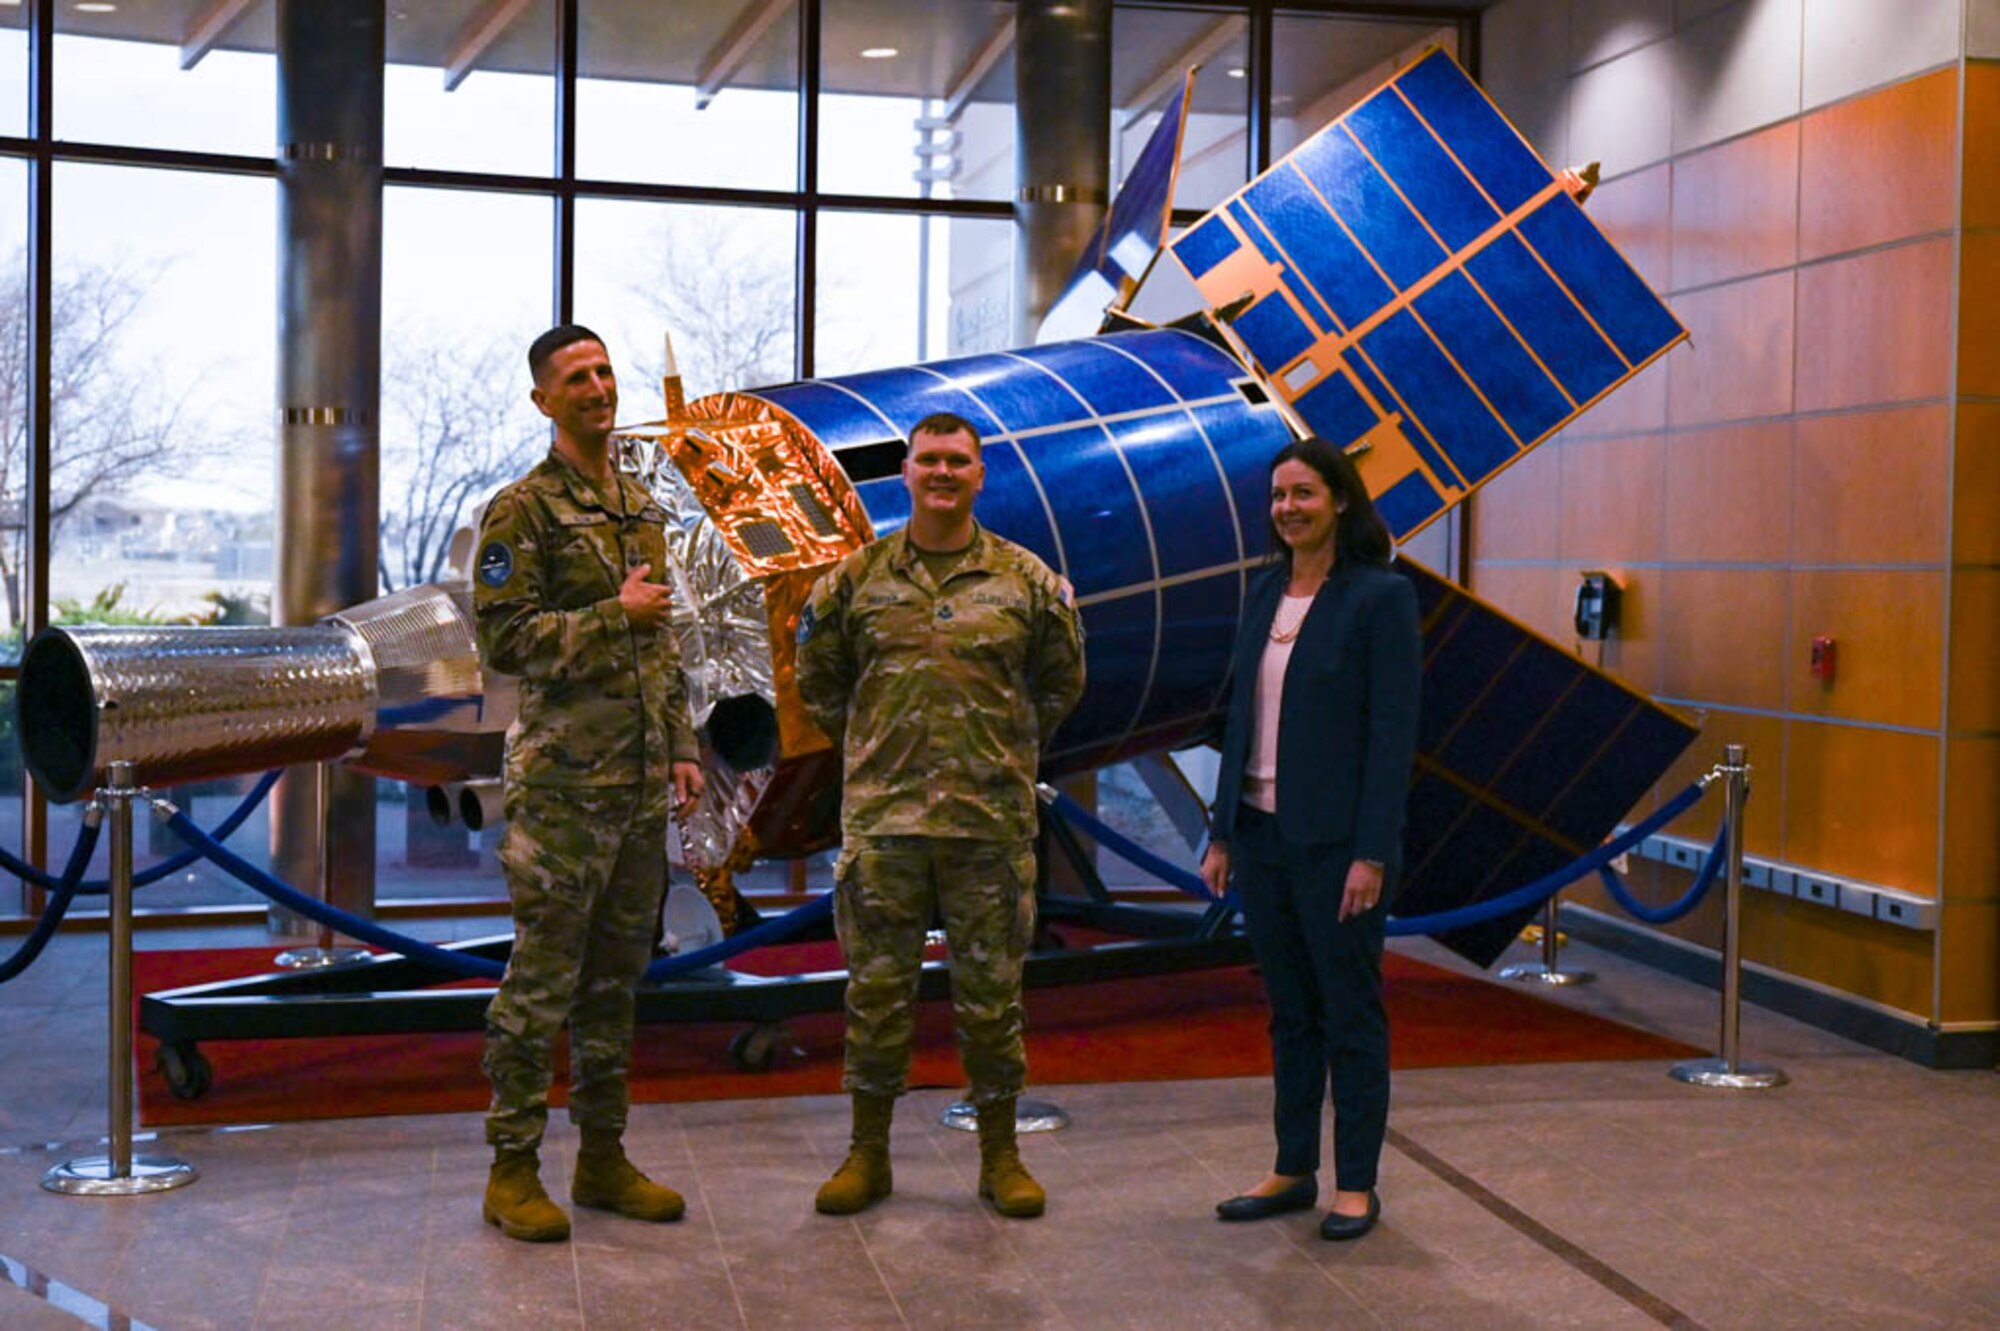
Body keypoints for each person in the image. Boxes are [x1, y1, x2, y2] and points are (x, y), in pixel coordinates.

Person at [795, 410, 1086, 1219]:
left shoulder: (1027, 582)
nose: (943, 473)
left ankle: (1001, 1155)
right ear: (907, 472)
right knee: (876, 997)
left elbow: (1060, 684)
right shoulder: (855, 581)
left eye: (958, 460)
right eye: (929, 460)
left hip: (988, 826)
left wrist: (1000, 747)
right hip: (885, 826)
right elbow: (819, 681)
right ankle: (867, 1154)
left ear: (980, 473)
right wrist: (876, 747)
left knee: (993, 1000)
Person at [473, 324, 707, 1243]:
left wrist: (682, 743)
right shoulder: (521, 511)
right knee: (540, 983)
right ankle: (511, 1170)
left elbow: (666, 637)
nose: (599, 386)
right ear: (544, 400)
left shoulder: (641, 507)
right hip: (564, 791)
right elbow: (505, 640)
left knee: (617, 984)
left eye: (606, 371)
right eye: (578, 376)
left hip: (641, 783)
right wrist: (613, 612)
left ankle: (602, 1158)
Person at [1198, 435, 1421, 1242]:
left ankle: (1356, 1182)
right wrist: (1221, 832)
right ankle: (1294, 1166)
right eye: (1279, 495)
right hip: (1259, 837)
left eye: (1304, 493)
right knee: (1289, 1013)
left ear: (1341, 501)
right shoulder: (1264, 592)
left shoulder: (1379, 598)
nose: (1288, 508)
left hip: (1338, 849)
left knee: (1349, 1014)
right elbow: (1240, 720)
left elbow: (1393, 735)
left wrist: (1373, 851)